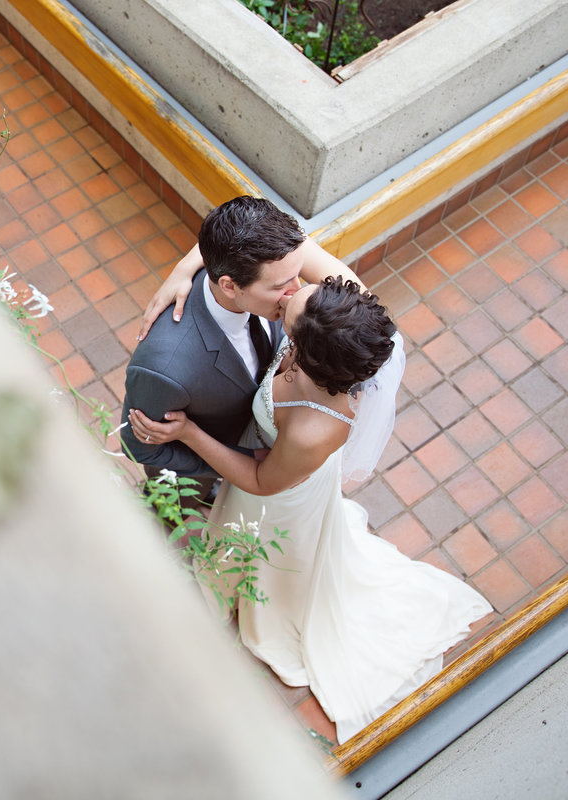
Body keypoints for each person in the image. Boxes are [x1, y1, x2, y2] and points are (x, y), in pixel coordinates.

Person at [129, 277, 491, 743]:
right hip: (271, 465)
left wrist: (188, 434)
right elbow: (292, 245)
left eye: (289, 308)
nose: (285, 295)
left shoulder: (318, 428)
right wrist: (192, 265)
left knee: (271, 563)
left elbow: (261, 483)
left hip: (280, 494)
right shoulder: (334, 315)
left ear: (308, 351)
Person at [119, 195, 360, 498]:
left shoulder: (280, 276)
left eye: (297, 276)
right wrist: (230, 464)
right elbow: (136, 444)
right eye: (279, 287)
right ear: (230, 286)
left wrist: (184, 266)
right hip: (199, 476)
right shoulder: (164, 367)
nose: (295, 296)